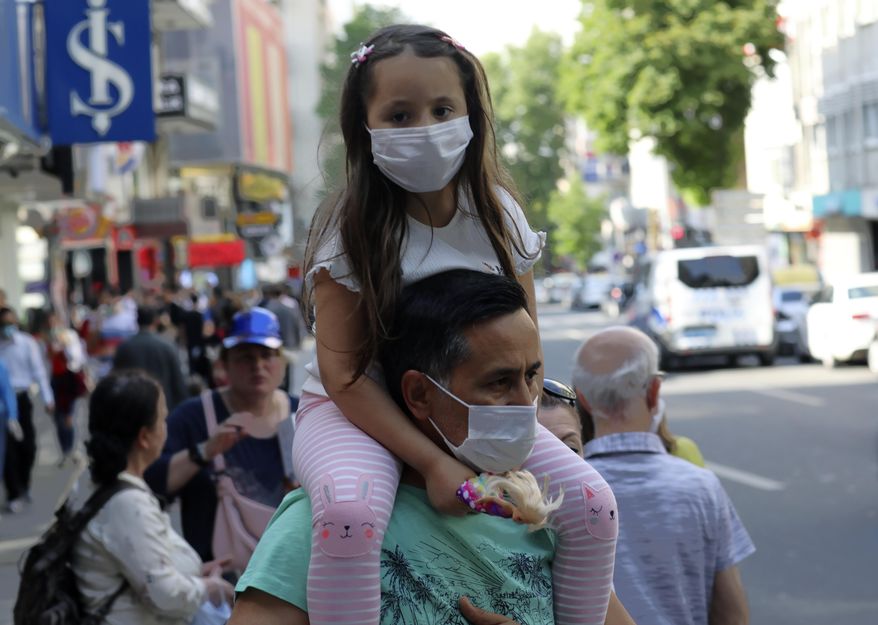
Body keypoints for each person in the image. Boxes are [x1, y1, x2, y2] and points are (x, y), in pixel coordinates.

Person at [295, 25, 616, 625]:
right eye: (399, 114)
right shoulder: (352, 235)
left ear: (472, 114)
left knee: (594, 505)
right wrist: (434, 461)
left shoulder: (499, 218)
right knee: (348, 518)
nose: (425, 128)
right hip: (351, 416)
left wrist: (513, 427)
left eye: (443, 109)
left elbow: (527, 349)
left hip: (468, 416)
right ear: (363, 129)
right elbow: (344, 375)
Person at [232, 269, 618, 625]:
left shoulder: (549, 512)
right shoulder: (326, 528)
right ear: (419, 393)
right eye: (499, 382)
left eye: (531, 376)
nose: (525, 403)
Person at [573, 326, 755, 625]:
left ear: (584, 399)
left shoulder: (562, 491)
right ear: (654, 391)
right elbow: (731, 614)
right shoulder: (702, 487)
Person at [72, 369, 235, 624]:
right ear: (145, 437)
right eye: (162, 419)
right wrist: (210, 588)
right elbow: (164, 593)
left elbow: (134, 566)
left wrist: (191, 573)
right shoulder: (126, 504)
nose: (166, 427)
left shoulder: (90, 484)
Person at [144, 307, 298, 564]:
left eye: (267, 355)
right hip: (219, 581)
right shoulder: (194, 416)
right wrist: (205, 451)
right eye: (245, 357)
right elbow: (152, 480)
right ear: (224, 364)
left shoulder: (304, 413)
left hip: (291, 570)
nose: (258, 366)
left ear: (282, 362)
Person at [0, 307, 54, 513]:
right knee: (8, 450)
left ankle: (24, 484)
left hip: (22, 399)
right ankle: (14, 492)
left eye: (10, 323)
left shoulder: (27, 343)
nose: (8, 328)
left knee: (28, 447)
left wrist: (48, 398)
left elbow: (39, 373)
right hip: (4, 405)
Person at [113, 306, 188, 411]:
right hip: (163, 407)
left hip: (133, 409)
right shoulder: (167, 346)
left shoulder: (124, 347)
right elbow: (178, 384)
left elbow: (116, 381)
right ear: (155, 321)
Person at [45, 310, 89, 466]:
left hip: (68, 379)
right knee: (58, 418)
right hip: (56, 380)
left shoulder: (69, 336)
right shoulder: (50, 338)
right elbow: (48, 360)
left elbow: (77, 359)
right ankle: (65, 449)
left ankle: (73, 447)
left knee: (70, 416)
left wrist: (65, 345)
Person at [260, 284, 305, 392]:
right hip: (289, 345)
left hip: (272, 346)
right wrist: (298, 342)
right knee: (287, 373)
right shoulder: (289, 308)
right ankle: (285, 394)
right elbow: (298, 326)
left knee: (273, 372)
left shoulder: (266, 309)